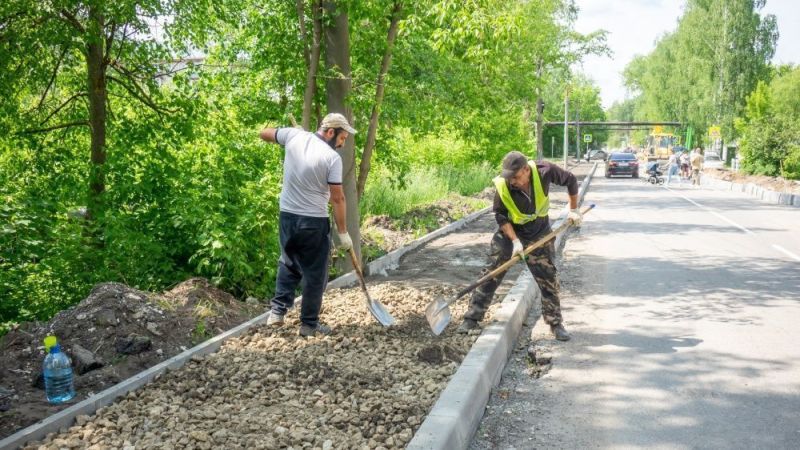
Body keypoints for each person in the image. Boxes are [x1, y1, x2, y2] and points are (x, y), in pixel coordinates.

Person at [458, 151, 581, 341]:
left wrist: (573, 210)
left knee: (548, 276)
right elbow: (501, 216)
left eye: (516, 177)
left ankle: (555, 324)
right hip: (510, 232)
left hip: (539, 231)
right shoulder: (503, 184)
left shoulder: (545, 171)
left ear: (526, 170)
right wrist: (515, 241)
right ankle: (472, 317)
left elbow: (571, 180)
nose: (512, 181)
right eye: (509, 177)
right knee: (492, 271)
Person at [259, 113, 356, 337]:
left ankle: (277, 312)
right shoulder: (331, 158)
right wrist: (343, 232)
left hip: (287, 217)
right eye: (342, 138)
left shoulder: (293, 136)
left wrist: (292, 136)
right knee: (315, 273)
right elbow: (338, 198)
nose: (342, 144)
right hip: (313, 221)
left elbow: (263, 133)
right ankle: (308, 324)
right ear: (331, 132)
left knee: (288, 262)